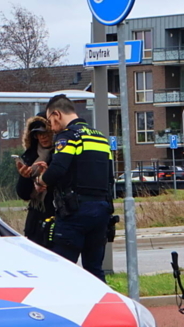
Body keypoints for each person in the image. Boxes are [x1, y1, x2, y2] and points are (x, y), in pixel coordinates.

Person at [36, 94, 114, 280]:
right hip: (102, 211)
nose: (51, 128)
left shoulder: (68, 136)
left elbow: (58, 169)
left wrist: (41, 180)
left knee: (64, 270)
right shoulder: (101, 138)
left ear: (57, 114)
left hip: (75, 212)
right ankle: (99, 307)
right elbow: (109, 175)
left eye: (50, 121)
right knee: (94, 269)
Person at [16, 116, 55, 244]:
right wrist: (25, 177)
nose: (42, 137)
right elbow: (23, 194)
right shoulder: (30, 156)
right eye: (38, 134)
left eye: (45, 132)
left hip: (55, 216)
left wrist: (47, 176)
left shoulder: (61, 154)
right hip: (35, 220)